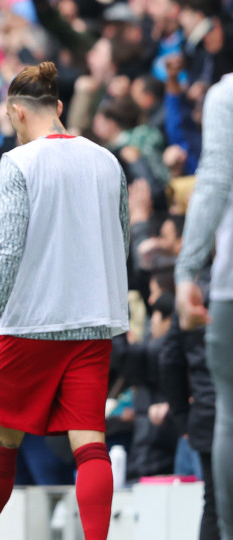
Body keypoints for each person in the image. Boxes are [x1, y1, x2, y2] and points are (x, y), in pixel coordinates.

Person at [0, 62, 129, 540]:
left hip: (29, 321)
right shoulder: (108, 160)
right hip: (94, 319)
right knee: (91, 446)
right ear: (58, 108)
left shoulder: (19, 162)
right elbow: (122, 238)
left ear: (17, 113)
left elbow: (9, 246)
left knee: (1, 444)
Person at [175, 72, 233, 540]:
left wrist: (186, 271)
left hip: (231, 289)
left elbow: (214, 178)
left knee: (231, 419)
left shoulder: (227, 94)